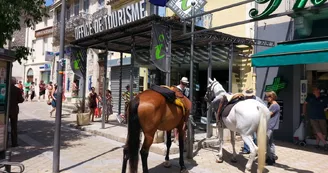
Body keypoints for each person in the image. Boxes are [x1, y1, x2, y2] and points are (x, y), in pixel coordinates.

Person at [265, 91, 281, 165]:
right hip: (270, 126)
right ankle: (272, 157)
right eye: (267, 96)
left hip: (270, 126)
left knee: (267, 142)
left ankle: (270, 158)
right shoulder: (271, 105)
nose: (267, 98)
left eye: (269, 96)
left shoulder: (274, 105)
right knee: (271, 142)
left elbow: (268, 114)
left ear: (273, 97)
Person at [241, 88, 258, 154]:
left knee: (254, 136)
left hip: (254, 120)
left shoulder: (256, 100)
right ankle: (246, 149)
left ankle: (253, 149)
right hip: (247, 119)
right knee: (246, 135)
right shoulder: (244, 100)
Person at [9, 77, 24, 147]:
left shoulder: (6, 88)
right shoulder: (17, 89)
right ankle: (14, 143)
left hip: (6, 110)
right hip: (14, 110)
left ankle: (4, 142)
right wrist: (16, 101)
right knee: (14, 127)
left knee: (3, 125)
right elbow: (21, 100)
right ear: (14, 82)